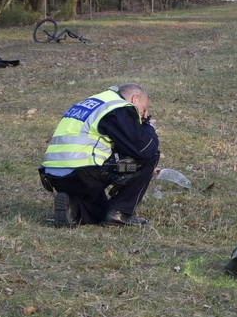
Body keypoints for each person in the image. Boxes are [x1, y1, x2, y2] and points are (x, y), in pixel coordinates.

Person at [39, 83, 160, 227]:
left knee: (102, 212)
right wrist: (148, 126)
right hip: (84, 170)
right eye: (144, 110)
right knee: (150, 156)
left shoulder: (91, 103)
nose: (143, 116)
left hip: (55, 174)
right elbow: (144, 148)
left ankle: (73, 207)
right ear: (135, 99)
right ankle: (119, 213)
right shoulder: (118, 107)